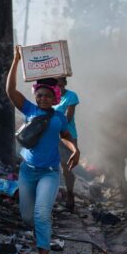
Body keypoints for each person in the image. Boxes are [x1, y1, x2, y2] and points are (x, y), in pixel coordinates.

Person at [6, 46, 80, 254]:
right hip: (27, 171)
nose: (43, 98)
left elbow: (66, 137)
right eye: (40, 95)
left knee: (41, 213)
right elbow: (10, 90)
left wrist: (75, 150)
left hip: (49, 172)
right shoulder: (28, 109)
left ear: (55, 97)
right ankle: (42, 236)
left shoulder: (59, 118)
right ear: (35, 95)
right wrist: (16, 61)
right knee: (27, 216)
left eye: (48, 95)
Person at [53, 77, 80, 212]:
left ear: (64, 83)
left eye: (60, 84)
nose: (58, 87)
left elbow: (68, 118)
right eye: (55, 85)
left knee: (66, 168)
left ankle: (70, 195)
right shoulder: (49, 96)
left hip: (67, 137)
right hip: (52, 136)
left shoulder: (71, 96)